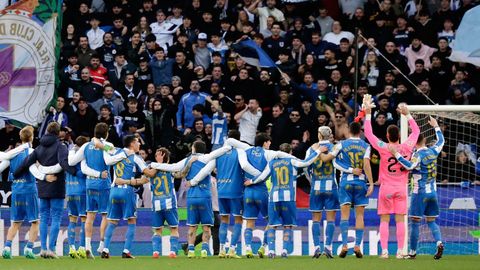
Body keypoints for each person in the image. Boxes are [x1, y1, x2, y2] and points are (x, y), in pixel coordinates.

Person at [150, 140, 231, 258]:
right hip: (205, 196)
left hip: (192, 197)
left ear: (193, 148)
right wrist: (228, 146)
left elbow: (173, 167)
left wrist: (154, 164)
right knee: (206, 226)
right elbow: (219, 153)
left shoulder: (187, 160)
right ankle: (204, 250)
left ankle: (191, 250)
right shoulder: (207, 158)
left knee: (192, 226)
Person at [363, 97, 420, 259]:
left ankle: (385, 251)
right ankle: (401, 251)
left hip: (386, 188)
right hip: (402, 188)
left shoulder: (383, 147)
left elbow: (368, 133)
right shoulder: (407, 146)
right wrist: (408, 115)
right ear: (398, 136)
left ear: (388, 135)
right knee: (401, 220)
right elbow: (416, 132)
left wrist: (368, 114)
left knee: (385, 220)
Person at [13, 122, 76, 258]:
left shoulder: (39, 147)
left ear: (47, 131)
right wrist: (74, 172)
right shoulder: (61, 146)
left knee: (44, 217)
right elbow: (63, 162)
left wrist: (16, 173)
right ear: (59, 133)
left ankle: (42, 249)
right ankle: (51, 250)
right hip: (56, 184)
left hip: (42, 185)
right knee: (56, 218)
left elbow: (26, 162)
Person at [68, 123, 128, 259]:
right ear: (106, 133)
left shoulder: (85, 146)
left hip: (89, 183)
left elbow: (71, 162)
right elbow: (111, 154)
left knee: (89, 215)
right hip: (103, 184)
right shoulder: (109, 146)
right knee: (105, 215)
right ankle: (101, 245)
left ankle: (87, 246)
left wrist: (72, 150)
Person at [388, 117, 445, 260]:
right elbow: (441, 141)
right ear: (424, 140)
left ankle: (412, 252)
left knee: (414, 223)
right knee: (431, 221)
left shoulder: (418, 155)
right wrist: (436, 126)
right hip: (433, 192)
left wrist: (396, 154)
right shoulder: (433, 151)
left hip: (419, 193)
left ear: (415, 143)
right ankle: (439, 242)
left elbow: (410, 166)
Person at [229, 133, 293, 258]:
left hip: (247, 191)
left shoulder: (246, 150)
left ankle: (247, 248)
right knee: (271, 221)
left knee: (249, 222)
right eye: (269, 142)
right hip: (261, 191)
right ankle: (263, 247)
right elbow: (281, 156)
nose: (270, 144)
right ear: (264, 142)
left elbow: (231, 141)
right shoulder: (268, 154)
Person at [0, 126, 59, 259]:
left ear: (20, 138)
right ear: (31, 137)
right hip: (29, 190)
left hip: (15, 191)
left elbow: (1, 168)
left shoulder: (13, 153)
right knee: (35, 221)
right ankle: (29, 248)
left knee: (15, 222)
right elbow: (36, 169)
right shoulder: (33, 152)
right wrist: (45, 176)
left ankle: (7, 248)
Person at [319, 122, 374, 258]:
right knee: (360, 216)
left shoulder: (341, 144)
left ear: (349, 130)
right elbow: (366, 164)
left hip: (345, 184)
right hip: (361, 182)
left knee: (345, 216)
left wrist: (320, 147)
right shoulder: (366, 146)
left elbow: (332, 161)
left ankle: (344, 245)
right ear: (360, 132)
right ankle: (357, 246)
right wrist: (371, 183)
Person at [95, 135, 155, 259]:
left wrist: (99, 141)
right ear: (132, 144)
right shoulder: (136, 157)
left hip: (114, 191)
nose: (139, 145)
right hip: (127, 192)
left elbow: (99, 144)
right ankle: (126, 250)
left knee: (112, 222)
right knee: (131, 221)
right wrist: (160, 167)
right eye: (138, 142)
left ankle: (105, 249)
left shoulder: (115, 150)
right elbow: (149, 173)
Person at [260, 143, 321, 258]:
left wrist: (252, 181)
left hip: (273, 198)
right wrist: (318, 151)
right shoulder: (292, 161)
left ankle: (271, 251)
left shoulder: (272, 163)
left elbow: (262, 177)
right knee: (288, 226)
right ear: (290, 152)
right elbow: (306, 162)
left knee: (272, 225)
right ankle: (284, 250)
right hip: (289, 199)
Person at [307, 126, 339, 258]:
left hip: (316, 187)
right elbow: (338, 165)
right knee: (331, 219)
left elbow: (306, 166)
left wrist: (311, 180)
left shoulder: (312, 148)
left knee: (315, 219)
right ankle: (328, 247)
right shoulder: (335, 148)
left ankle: (316, 247)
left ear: (319, 135)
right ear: (330, 135)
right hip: (331, 186)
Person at [150, 148, 181, 258]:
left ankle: (155, 252)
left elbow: (144, 179)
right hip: (169, 203)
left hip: (156, 203)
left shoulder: (151, 169)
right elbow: (180, 174)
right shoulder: (170, 169)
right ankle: (172, 251)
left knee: (157, 230)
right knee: (174, 228)